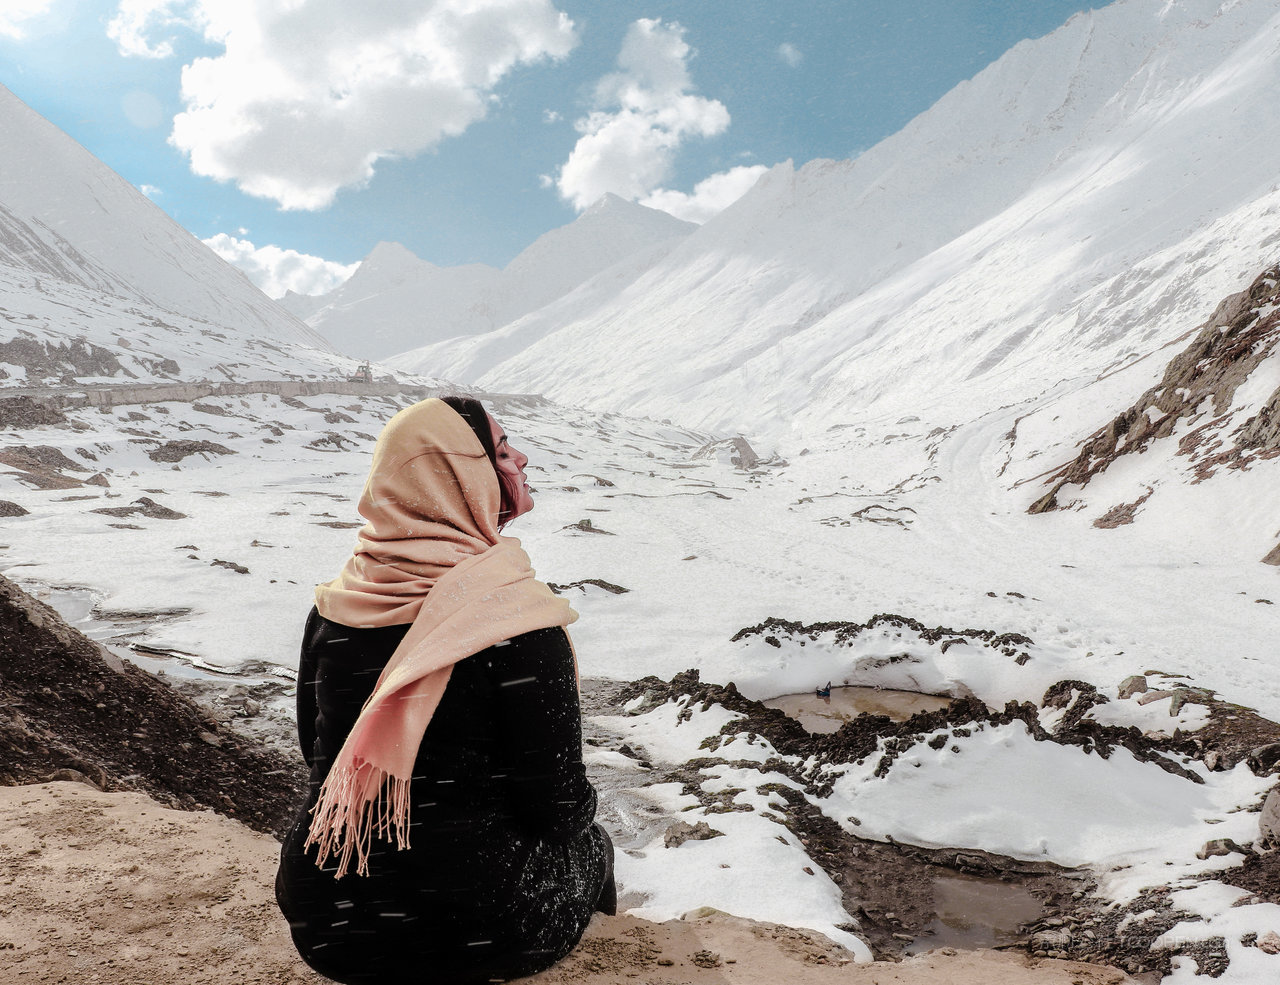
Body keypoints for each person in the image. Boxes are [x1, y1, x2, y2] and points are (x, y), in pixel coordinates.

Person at [275, 395, 615, 985]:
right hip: (475, 929)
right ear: (460, 479)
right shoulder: (517, 626)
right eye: (502, 451)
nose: (521, 459)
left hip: (329, 922)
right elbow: (557, 808)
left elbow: (318, 757)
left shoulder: (338, 607)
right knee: (593, 845)